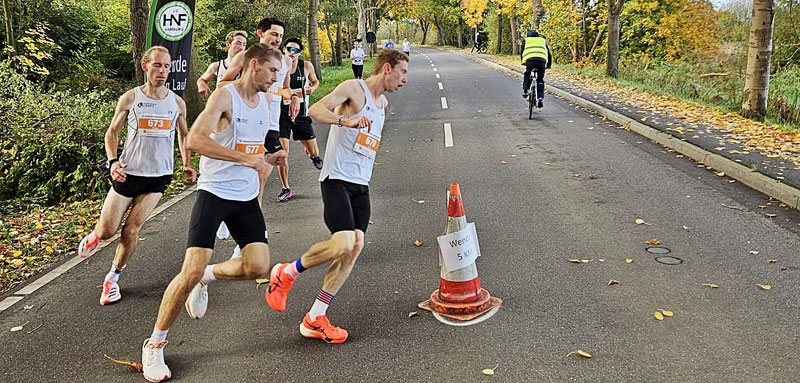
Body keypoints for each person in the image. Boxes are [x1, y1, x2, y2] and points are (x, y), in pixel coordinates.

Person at [140, 43, 287, 382]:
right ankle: (154, 344)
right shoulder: (225, 97)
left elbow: (261, 142)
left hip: (246, 196)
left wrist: (270, 155)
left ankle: (210, 275)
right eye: (273, 71)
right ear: (254, 65)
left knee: (258, 266)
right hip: (215, 192)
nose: (277, 77)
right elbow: (194, 140)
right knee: (188, 270)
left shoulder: (265, 102)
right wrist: (245, 159)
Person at [264, 49, 408, 344]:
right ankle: (286, 272)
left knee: (355, 246)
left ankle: (315, 317)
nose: (405, 79)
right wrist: (347, 121)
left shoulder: (383, 102)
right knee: (343, 241)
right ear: (387, 68)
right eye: (403, 72)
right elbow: (314, 110)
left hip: (360, 184)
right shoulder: (354, 89)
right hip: (337, 179)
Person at [77, 46, 196, 306]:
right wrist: (112, 162)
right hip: (128, 173)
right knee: (109, 231)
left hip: (158, 177)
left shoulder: (177, 102)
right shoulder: (130, 98)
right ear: (145, 66)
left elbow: (184, 134)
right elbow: (112, 133)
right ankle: (97, 235)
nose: (163, 71)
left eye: (166, 66)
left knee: (131, 229)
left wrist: (186, 162)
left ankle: (112, 279)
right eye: (157, 65)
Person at [218, 17, 296, 257]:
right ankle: (223, 213)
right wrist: (247, 88)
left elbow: (284, 87)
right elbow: (223, 83)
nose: (278, 39)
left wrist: (292, 97)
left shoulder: (284, 61)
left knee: (260, 180)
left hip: (271, 124)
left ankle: (243, 243)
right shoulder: (247, 58)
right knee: (237, 172)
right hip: (245, 121)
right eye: (273, 34)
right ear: (260, 33)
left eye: (281, 36)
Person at [276, 37, 322, 202]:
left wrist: (312, 88)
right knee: (282, 154)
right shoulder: (278, 66)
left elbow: (316, 82)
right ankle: (286, 188)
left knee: (315, 154)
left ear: (300, 52)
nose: (292, 52)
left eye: (295, 50)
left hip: (301, 114)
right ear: (284, 50)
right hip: (282, 115)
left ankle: (311, 153)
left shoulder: (306, 66)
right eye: (289, 49)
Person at [196, 30, 248, 99]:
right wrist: (201, 85)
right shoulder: (217, 66)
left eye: (244, 45)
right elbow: (201, 79)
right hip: (221, 106)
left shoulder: (248, 67)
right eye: (238, 43)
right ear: (228, 44)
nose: (241, 48)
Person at [520, 30, 552, 108]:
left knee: (527, 73)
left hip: (530, 60)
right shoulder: (542, 40)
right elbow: (549, 53)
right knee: (540, 80)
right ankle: (540, 98)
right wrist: (548, 65)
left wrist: (523, 62)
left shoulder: (526, 40)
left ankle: (525, 90)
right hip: (541, 61)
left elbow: (522, 52)